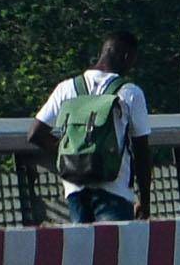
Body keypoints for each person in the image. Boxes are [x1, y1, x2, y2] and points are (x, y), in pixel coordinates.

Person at [34, 38, 150, 223]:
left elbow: (35, 134)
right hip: (115, 188)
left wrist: (73, 155)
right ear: (126, 57)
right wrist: (145, 201)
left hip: (75, 187)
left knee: (83, 250)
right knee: (115, 249)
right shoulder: (130, 92)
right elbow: (141, 151)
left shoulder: (66, 88)